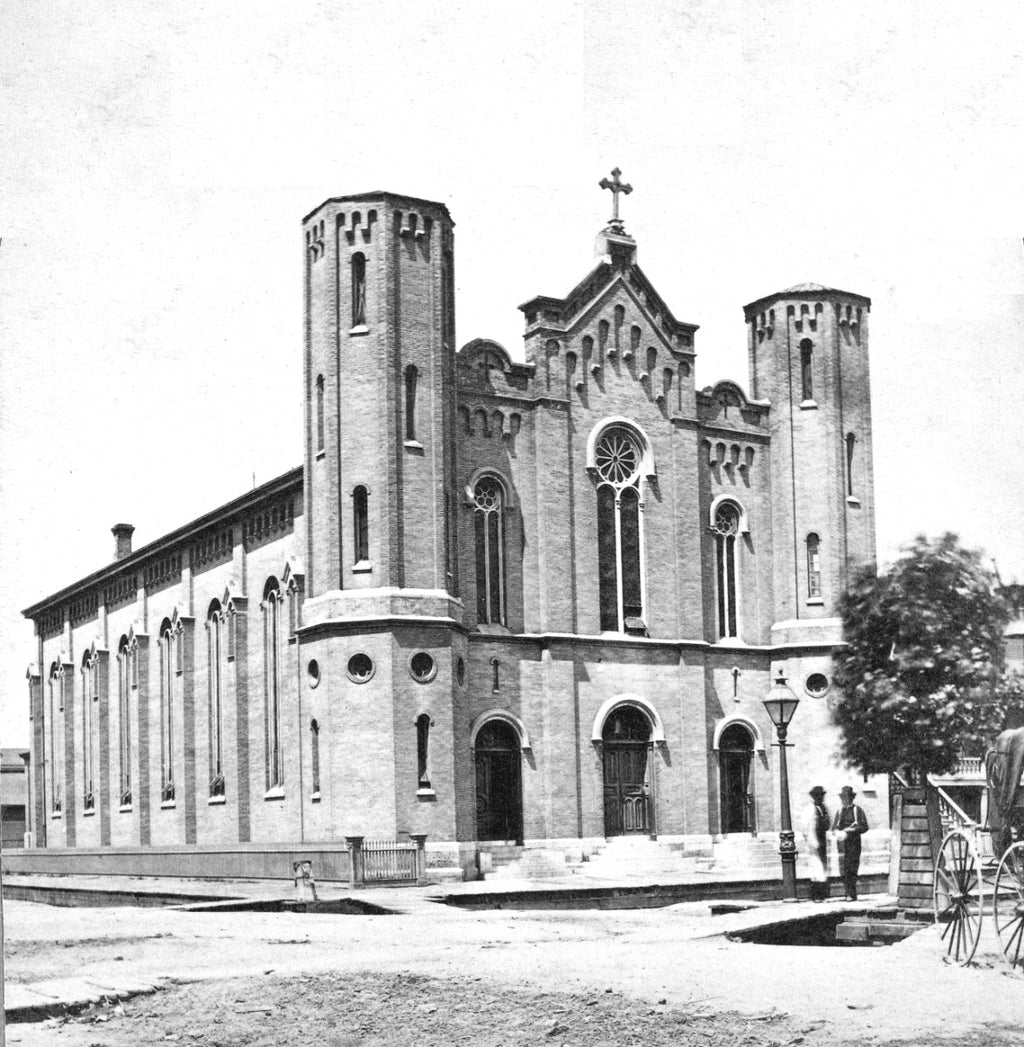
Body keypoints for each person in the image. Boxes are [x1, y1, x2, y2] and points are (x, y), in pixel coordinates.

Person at [833, 785, 869, 901]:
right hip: (842, 844)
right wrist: (838, 833)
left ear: (851, 798)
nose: (845, 800)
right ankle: (847, 892)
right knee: (843, 868)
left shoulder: (857, 810)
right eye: (843, 798)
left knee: (852, 867)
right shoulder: (839, 811)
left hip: (854, 843)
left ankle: (851, 893)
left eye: (847, 797)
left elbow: (864, 826)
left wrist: (851, 830)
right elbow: (833, 827)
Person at [803, 786, 830, 902]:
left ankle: (822, 894)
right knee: (815, 867)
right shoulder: (810, 809)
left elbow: (827, 823)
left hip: (822, 840)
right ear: (814, 797)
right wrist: (811, 840)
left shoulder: (823, 808)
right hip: (813, 841)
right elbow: (804, 827)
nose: (820, 798)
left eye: (822, 796)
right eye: (818, 796)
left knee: (822, 866)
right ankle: (815, 895)